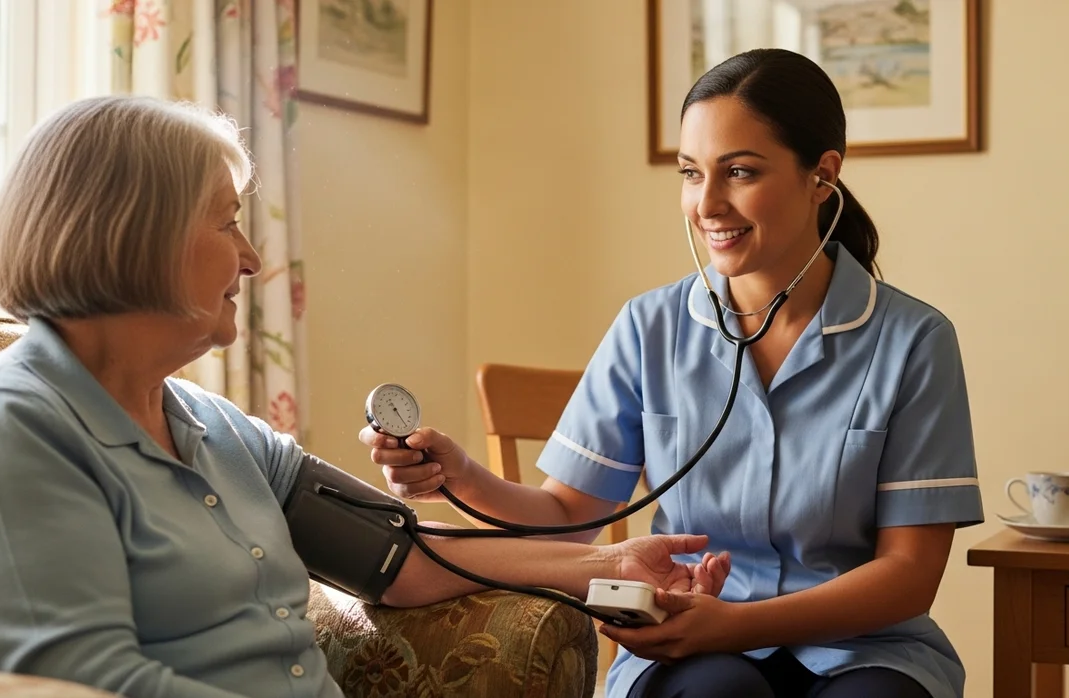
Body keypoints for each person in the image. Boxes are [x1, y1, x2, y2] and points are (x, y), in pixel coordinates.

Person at [0, 94, 731, 698]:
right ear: (135, 234)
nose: (253, 258)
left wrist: (605, 564)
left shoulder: (216, 427)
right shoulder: (10, 428)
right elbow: (82, 683)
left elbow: (401, 553)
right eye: (228, 224)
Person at [361, 48, 984, 698]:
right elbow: (568, 518)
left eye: (739, 172)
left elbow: (910, 574)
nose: (707, 203)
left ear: (822, 175)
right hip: (688, 639)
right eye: (692, 173)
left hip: (864, 650)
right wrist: (462, 476)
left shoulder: (914, 341)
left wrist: (736, 626)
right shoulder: (648, 328)